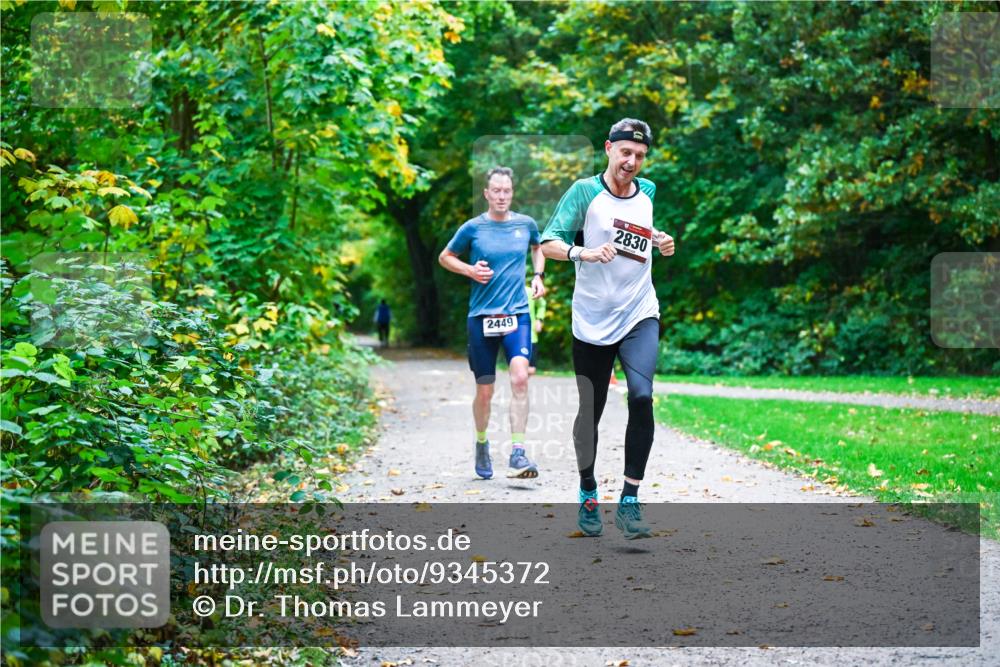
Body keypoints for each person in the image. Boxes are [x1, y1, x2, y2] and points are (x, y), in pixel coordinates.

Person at [540, 118, 675, 539]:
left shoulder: (648, 191)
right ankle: (588, 491)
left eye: (639, 156)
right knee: (590, 412)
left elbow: (638, 229)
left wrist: (661, 240)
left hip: (638, 312)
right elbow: (549, 241)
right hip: (592, 319)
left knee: (641, 396)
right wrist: (583, 252)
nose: (631, 162)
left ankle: (630, 500)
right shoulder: (584, 192)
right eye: (625, 153)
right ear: (608, 149)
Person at [439, 166, 546, 480]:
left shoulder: (526, 224)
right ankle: (482, 443)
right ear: (486, 194)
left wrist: (538, 276)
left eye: (507, 191)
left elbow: (539, 248)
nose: (501, 196)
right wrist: (470, 270)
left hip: (517, 315)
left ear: (512, 193)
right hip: (482, 318)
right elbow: (445, 257)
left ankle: (518, 452)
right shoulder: (473, 228)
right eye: (496, 191)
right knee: (485, 391)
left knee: (520, 378)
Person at [526, 279, 546, 375]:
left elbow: (542, 304)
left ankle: (519, 383)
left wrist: (539, 319)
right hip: (513, 336)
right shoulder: (507, 292)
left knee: (531, 370)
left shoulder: (529, 291)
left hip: (531, 336)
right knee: (518, 370)